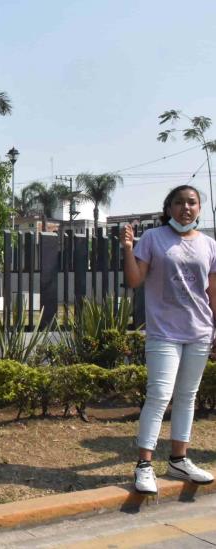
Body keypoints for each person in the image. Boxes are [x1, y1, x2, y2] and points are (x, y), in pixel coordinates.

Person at [122, 184, 216, 495]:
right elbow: (136, 280)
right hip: (164, 332)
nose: (185, 208)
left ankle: (179, 459)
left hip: (199, 331)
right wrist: (127, 247)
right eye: (179, 202)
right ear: (169, 207)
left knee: (187, 397)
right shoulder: (153, 238)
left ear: (199, 209)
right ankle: (144, 465)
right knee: (159, 395)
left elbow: (212, 294)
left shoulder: (209, 245)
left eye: (192, 203)